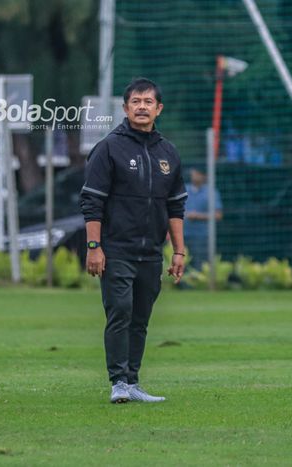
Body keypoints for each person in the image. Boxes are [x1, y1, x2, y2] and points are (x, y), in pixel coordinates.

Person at [80, 78, 188, 404]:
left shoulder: (168, 152)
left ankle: (133, 381)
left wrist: (179, 251)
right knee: (121, 311)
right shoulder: (109, 148)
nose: (142, 107)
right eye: (136, 101)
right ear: (126, 108)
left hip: (151, 253)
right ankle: (117, 383)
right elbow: (92, 203)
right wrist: (94, 247)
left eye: (148, 102)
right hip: (116, 250)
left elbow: (176, 206)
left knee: (140, 318)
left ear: (159, 109)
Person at [184, 166, 223, 269]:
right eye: (193, 172)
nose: (194, 174)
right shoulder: (183, 189)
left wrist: (198, 216)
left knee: (199, 264)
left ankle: (199, 285)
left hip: (201, 237)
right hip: (182, 235)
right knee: (181, 264)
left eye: (197, 172)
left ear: (204, 176)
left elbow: (218, 215)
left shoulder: (211, 192)